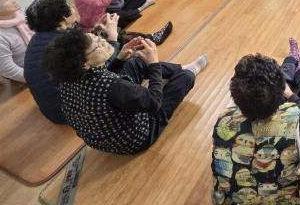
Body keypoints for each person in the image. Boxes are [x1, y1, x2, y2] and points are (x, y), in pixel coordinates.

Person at [44, 27, 208, 155]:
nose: (103, 41)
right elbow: (154, 102)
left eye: (98, 37)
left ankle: (179, 67)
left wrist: (120, 59)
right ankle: (186, 71)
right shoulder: (112, 85)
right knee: (186, 78)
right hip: (136, 139)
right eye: (97, 46)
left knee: (134, 62)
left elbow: (104, 80)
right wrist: (154, 64)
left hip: (102, 140)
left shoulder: (68, 79)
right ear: (84, 64)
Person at [212, 46, 300, 205]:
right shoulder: (298, 120)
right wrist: (292, 96)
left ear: (234, 96)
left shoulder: (224, 120)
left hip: (239, 199)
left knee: (284, 81)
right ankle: (299, 66)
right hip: (292, 200)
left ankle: (292, 60)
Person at [24, 0, 79, 123]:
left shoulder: (38, 38)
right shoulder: (64, 44)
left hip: (51, 109)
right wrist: (112, 39)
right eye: (69, 6)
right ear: (64, 17)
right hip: (69, 113)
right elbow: (97, 70)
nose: (72, 7)